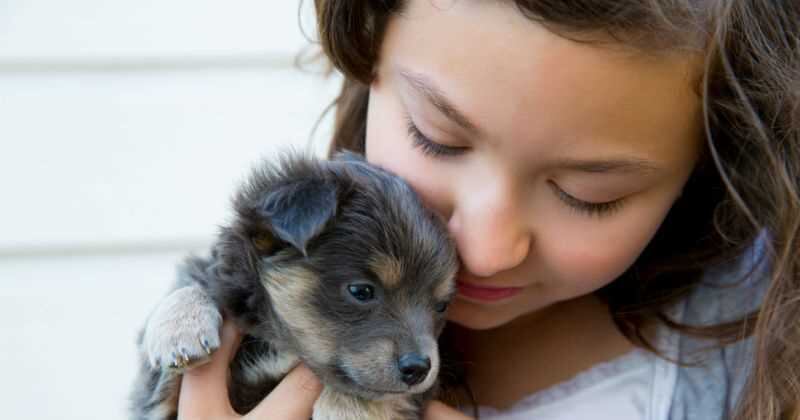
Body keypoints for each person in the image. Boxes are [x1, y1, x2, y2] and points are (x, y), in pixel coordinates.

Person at [177, 0, 799, 419]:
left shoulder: (761, 347)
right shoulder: (262, 291)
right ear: (366, 42)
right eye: (437, 139)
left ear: (713, 163)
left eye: (587, 195)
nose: (483, 250)